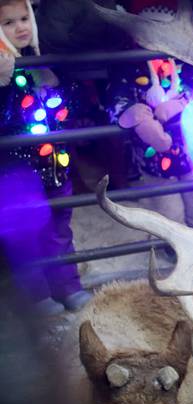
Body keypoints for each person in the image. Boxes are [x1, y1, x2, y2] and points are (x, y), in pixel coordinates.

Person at [0, 0, 92, 315]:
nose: (20, 27)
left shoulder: (42, 59)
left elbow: (73, 100)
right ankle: (38, 296)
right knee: (27, 234)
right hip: (18, 171)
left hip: (54, 165)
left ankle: (68, 287)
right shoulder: (4, 72)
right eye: (9, 23)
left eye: (25, 18)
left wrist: (59, 88)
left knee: (59, 228)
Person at [106, 0, 193, 241]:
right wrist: (136, 116)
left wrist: (183, 102)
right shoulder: (128, 67)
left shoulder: (186, 61)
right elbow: (117, 101)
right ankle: (173, 244)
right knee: (166, 208)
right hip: (153, 156)